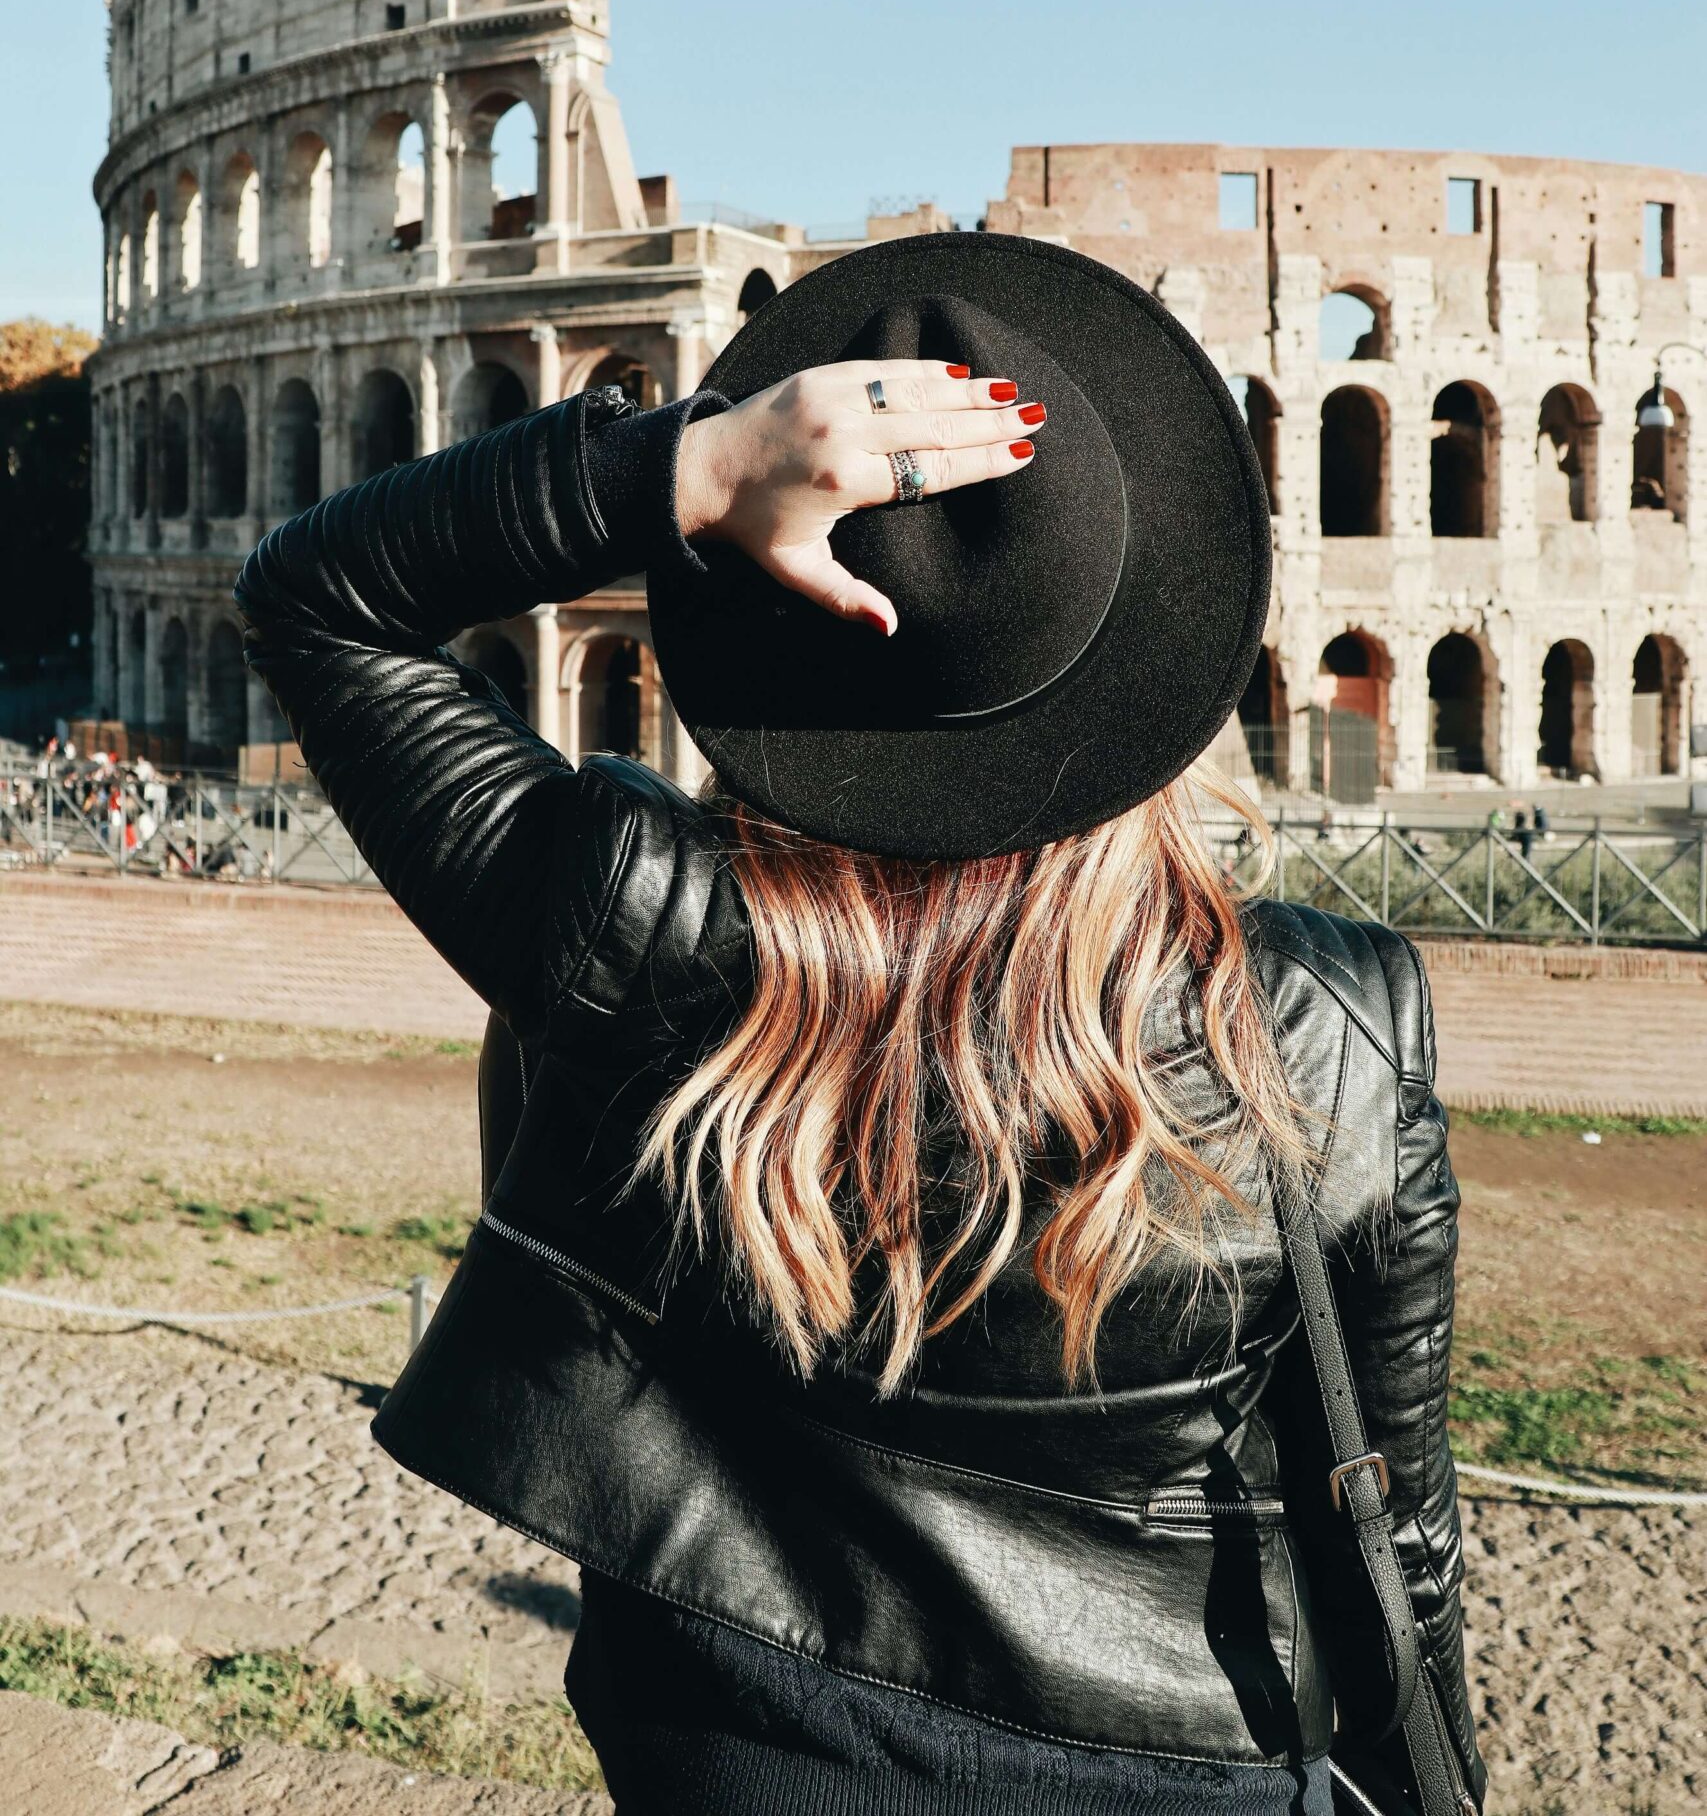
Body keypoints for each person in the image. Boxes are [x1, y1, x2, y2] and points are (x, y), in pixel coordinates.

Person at [237, 235, 1482, 1816]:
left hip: (730, 1742)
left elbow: (319, 596)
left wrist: (688, 466)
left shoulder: (635, 933)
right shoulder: (1326, 1031)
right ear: (1151, 645)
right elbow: (1399, 1519)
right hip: (1179, 1760)